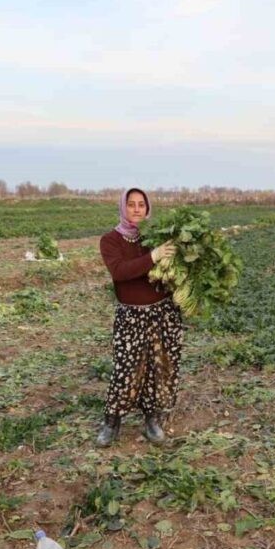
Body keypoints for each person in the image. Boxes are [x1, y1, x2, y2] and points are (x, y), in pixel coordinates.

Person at [96, 188, 181, 447]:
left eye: (141, 205)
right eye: (131, 204)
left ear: (147, 208)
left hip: (162, 314)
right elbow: (120, 271)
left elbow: (171, 274)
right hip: (131, 316)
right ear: (123, 207)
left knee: (160, 369)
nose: (136, 209)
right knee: (126, 369)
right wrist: (152, 257)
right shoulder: (110, 240)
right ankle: (112, 422)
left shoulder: (156, 237)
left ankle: (152, 421)